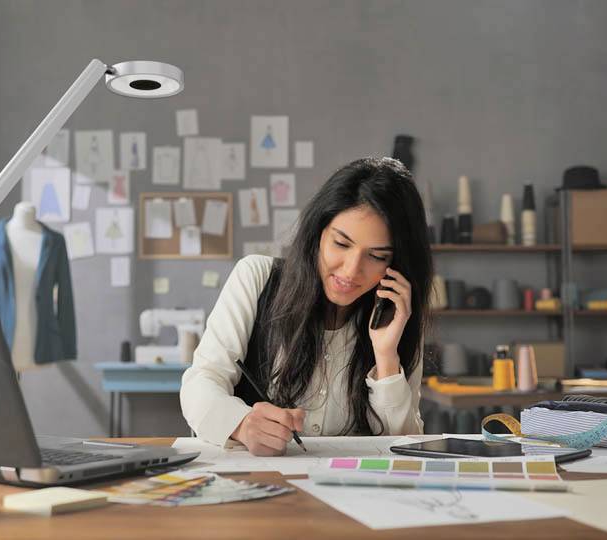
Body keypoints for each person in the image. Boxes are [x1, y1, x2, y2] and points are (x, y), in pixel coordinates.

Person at [180, 157, 433, 456]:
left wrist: (386, 357)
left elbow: (404, 445)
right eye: (341, 244)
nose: (351, 271)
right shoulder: (257, 277)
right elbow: (200, 383)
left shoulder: (397, 314)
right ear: (318, 233)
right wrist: (242, 424)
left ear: (396, 262)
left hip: (352, 491)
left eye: (376, 256)